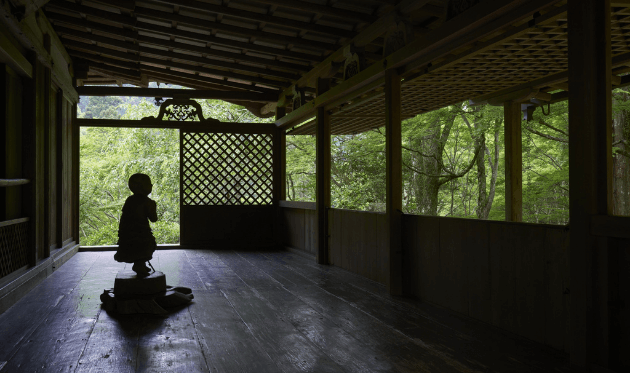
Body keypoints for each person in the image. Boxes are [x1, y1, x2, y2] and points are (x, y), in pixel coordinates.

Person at [114, 173, 158, 276]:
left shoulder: (130, 200)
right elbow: (154, 219)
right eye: (149, 184)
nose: (151, 186)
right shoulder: (148, 202)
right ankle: (139, 264)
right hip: (141, 232)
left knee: (138, 248)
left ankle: (140, 264)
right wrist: (153, 206)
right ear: (142, 187)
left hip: (126, 232)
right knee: (147, 245)